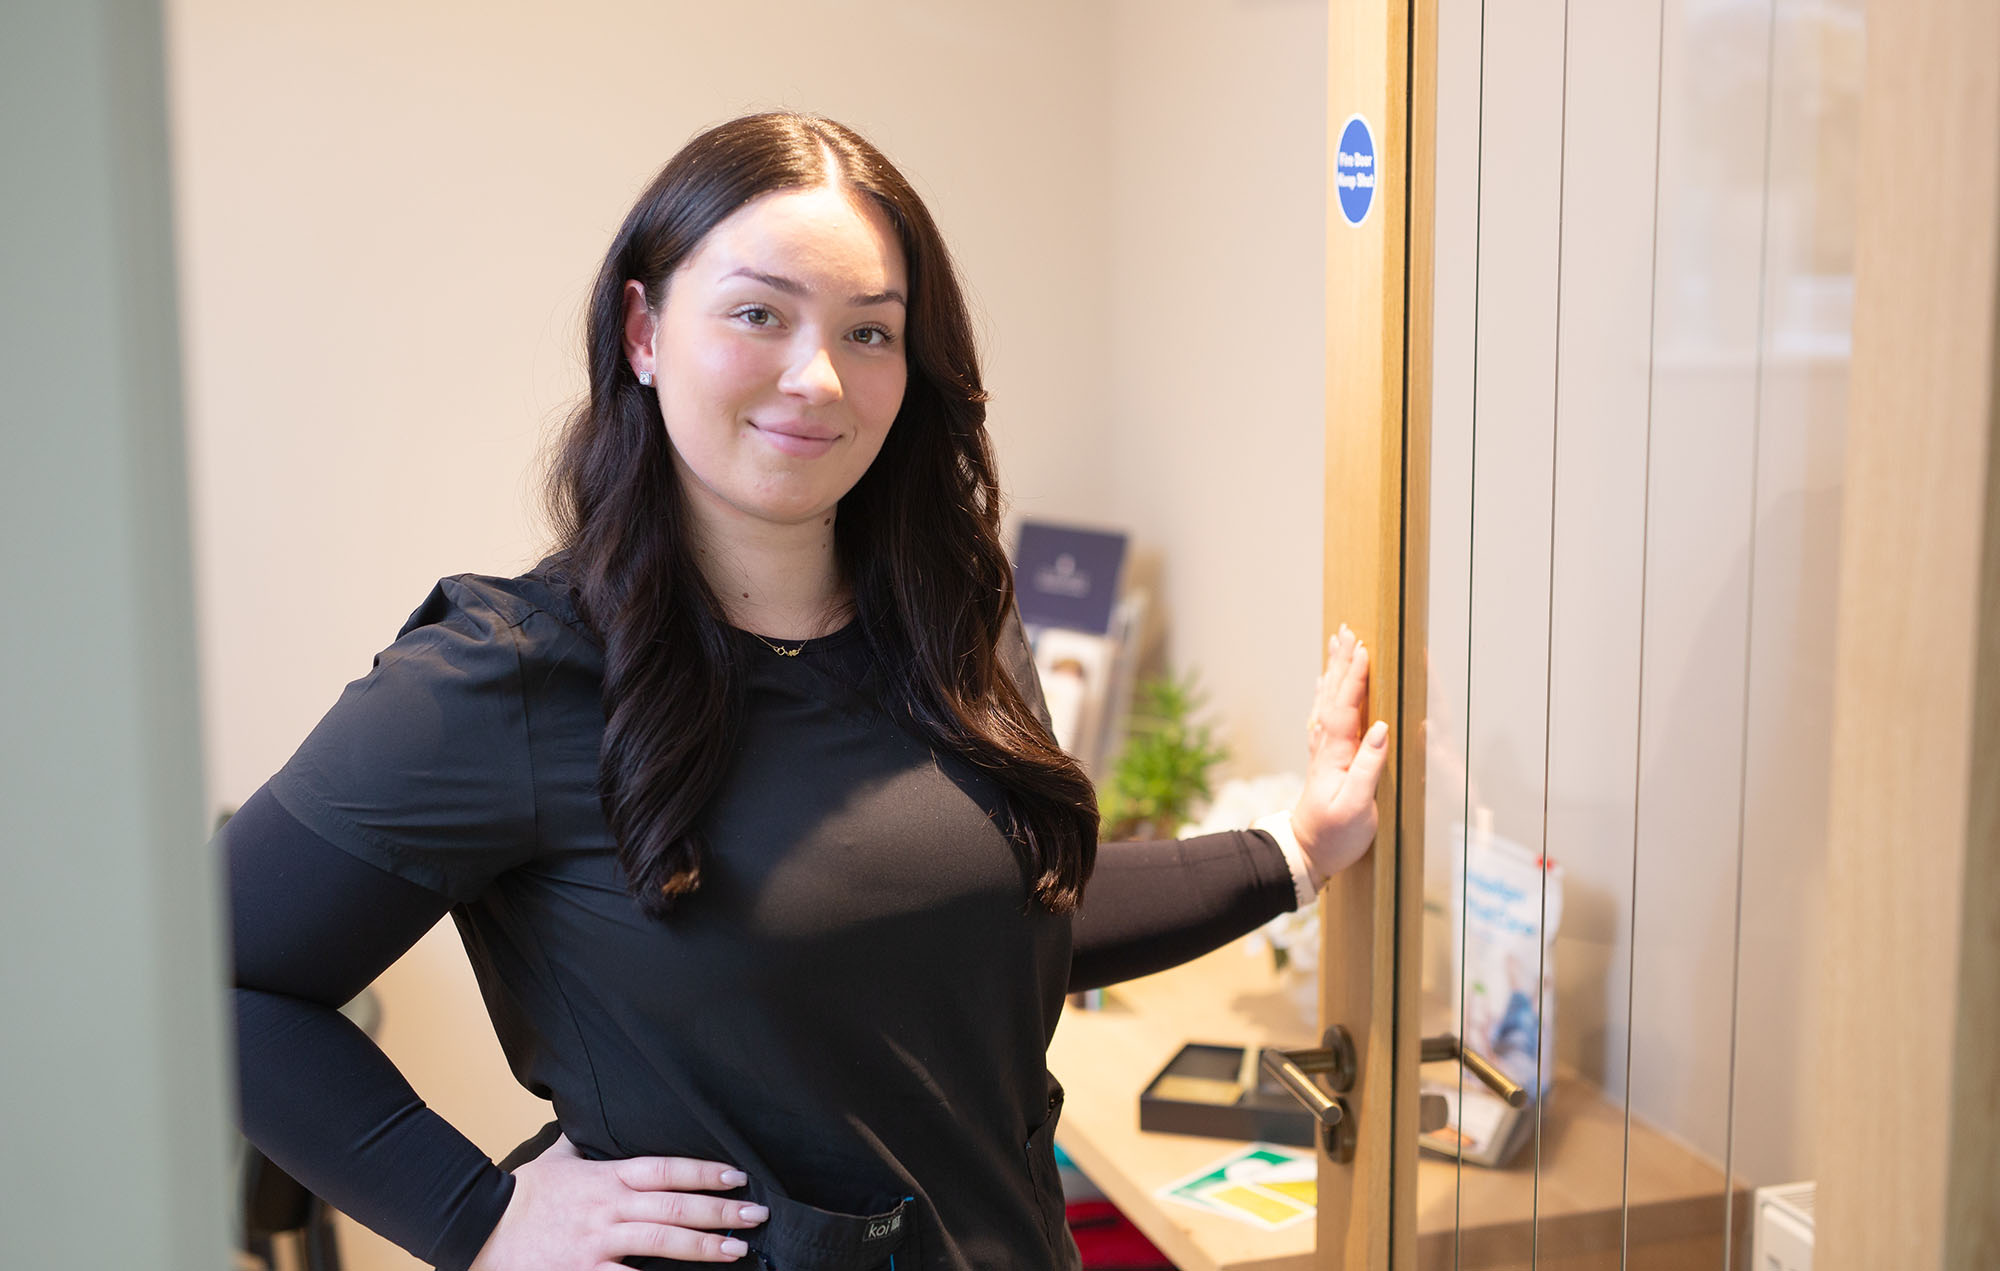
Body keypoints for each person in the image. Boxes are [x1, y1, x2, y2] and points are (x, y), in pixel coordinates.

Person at [226, 111, 1389, 1271]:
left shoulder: (954, 622)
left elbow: (993, 910)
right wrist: (475, 1216)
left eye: (868, 331)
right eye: (757, 314)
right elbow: (207, 974)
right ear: (642, 330)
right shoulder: (510, 674)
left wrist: (1296, 846)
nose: (817, 377)